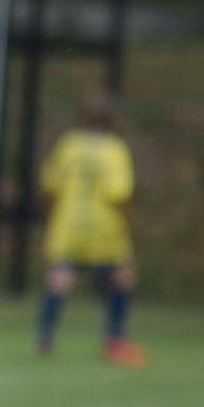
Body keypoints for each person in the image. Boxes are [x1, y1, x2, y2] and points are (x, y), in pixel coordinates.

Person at [35, 94, 146, 366]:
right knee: (122, 277)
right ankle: (115, 339)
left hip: (68, 223)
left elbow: (49, 184)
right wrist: (129, 221)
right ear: (111, 121)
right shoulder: (114, 149)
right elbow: (119, 193)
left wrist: (52, 213)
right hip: (104, 227)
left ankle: (45, 335)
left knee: (60, 278)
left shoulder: (69, 145)